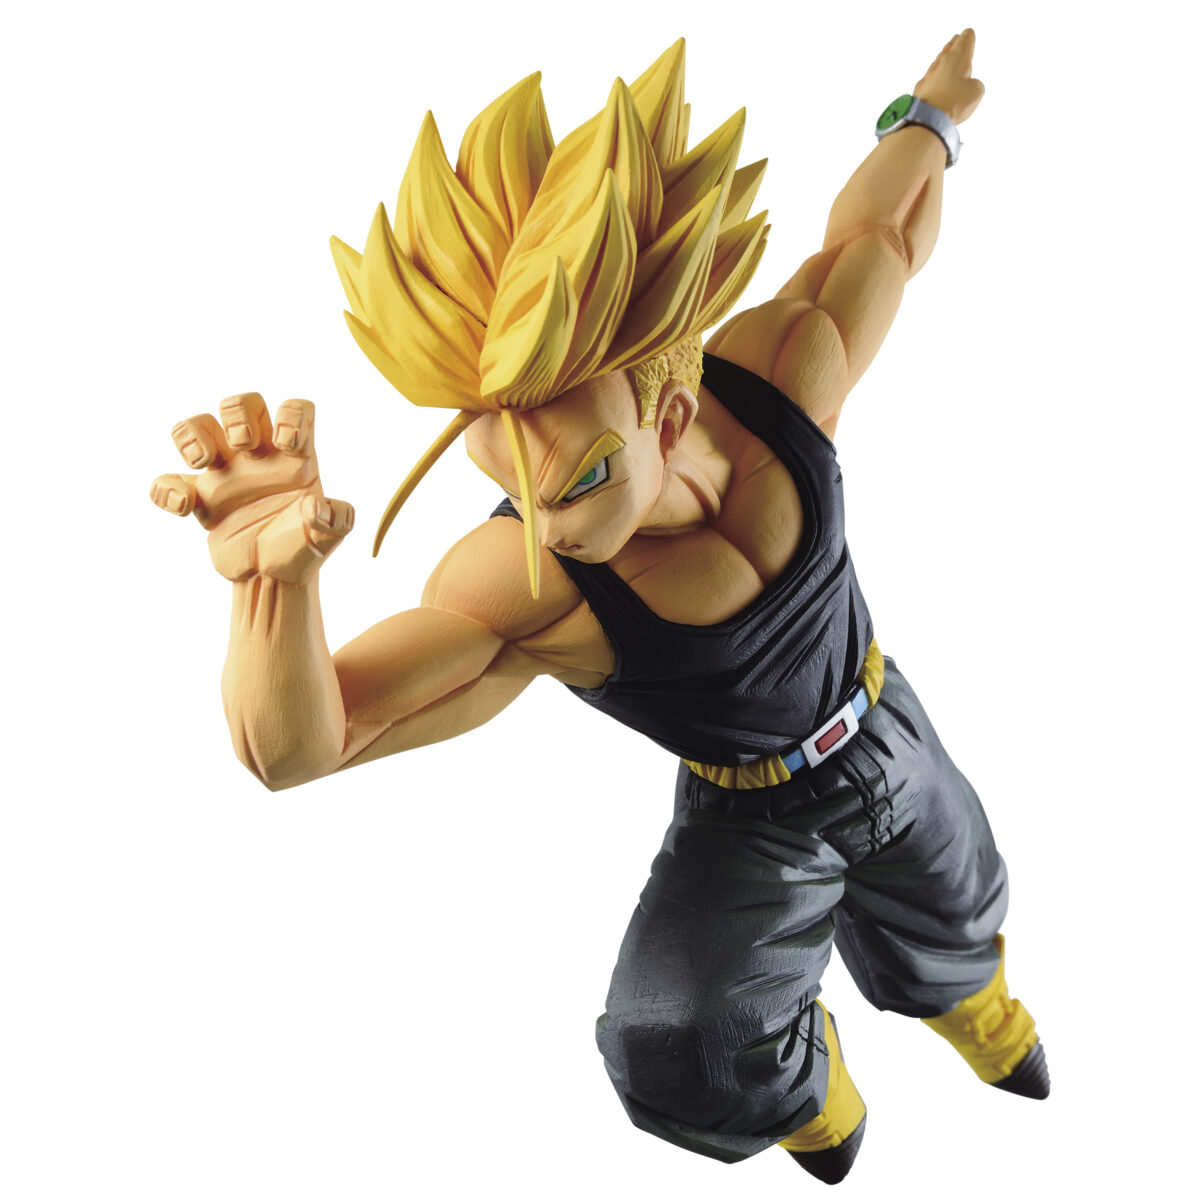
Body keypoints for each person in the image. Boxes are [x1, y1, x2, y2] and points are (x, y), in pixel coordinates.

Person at [150, 30, 1047, 1184]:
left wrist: (928, 119)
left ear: (666, 416)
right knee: (678, 1045)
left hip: (885, 724)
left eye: (573, 480)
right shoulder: (523, 587)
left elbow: (878, 238)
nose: (544, 523)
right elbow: (305, 746)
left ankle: (985, 1023)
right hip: (754, 816)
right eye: (497, 469)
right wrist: (275, 588)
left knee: (961, 920)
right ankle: (811, 1097)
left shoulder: (778, 377)